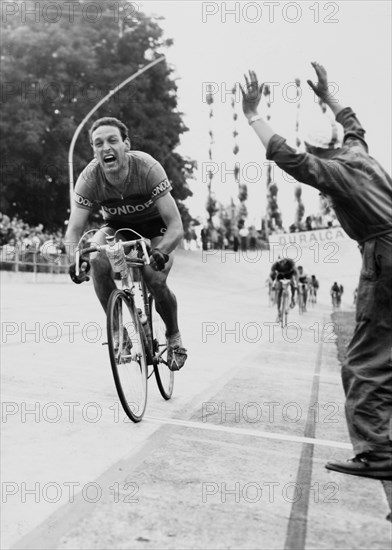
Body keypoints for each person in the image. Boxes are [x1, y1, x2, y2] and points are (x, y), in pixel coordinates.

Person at [241, 63, 392, 480]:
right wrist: (328, 95)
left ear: (318, 150)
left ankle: (379, 453)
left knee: (366, 360)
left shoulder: (336, 170)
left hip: (385, 254)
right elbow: (353, 122)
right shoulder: (359, 153)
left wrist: (253, 115)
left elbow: (289, 158)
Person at [64, 117, 187, 371]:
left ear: (126, 145)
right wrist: (74, 261)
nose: (106, 147)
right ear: (94, 150)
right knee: (96, 256)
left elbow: (176, 225)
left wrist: (161, 251)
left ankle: (173, 336)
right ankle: (120, 330)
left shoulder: (147, 167)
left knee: (154, 278)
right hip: (117, 226)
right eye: (98, 143)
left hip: (156, 227)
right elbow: (74, 231)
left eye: (112, 141)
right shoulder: (89, 178)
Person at [269, 257, 299, 322]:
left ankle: (292, 299)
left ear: (286, 261)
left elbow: (296, 274)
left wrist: (296, 283)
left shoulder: (291, 263)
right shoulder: (275, 265)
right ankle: (279, 312)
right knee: (279, 291)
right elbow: (272, 275)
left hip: (290, 275)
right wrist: (274, 284)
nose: (282, 264)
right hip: (280, 276)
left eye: (283, 262)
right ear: (278, 263)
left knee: (293, 285)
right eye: (280, 263)